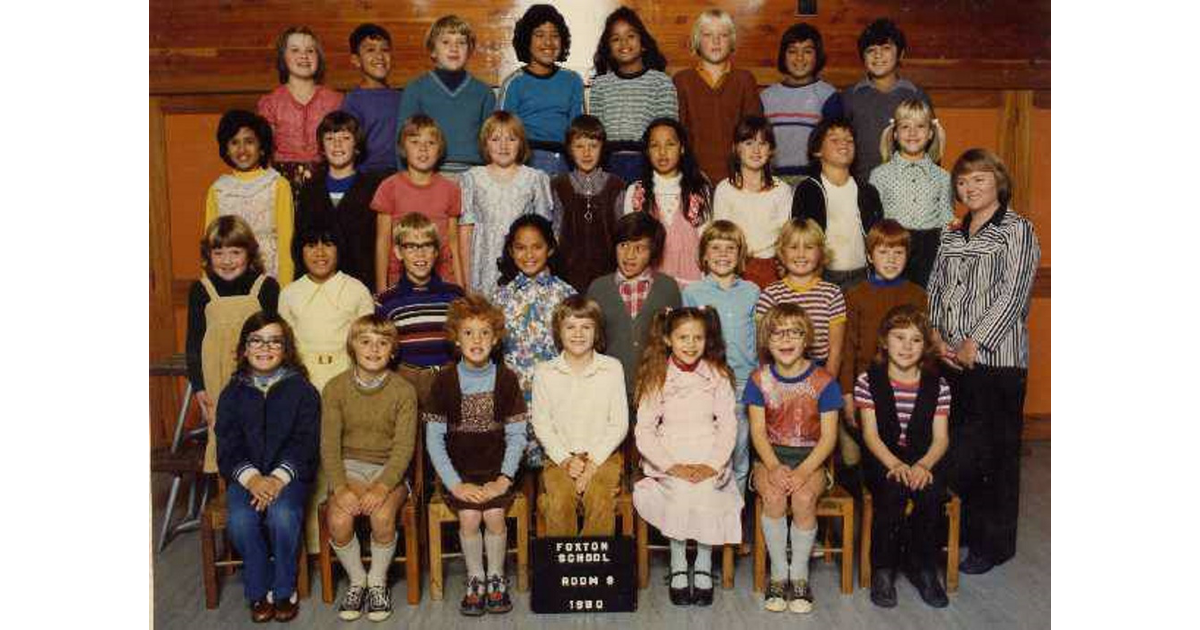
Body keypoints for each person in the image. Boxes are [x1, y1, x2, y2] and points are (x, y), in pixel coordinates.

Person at [927, 148, 1039, 576]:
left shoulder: (1017, 229)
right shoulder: (953, 233)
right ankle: (965, 533)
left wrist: (977, 341)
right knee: (959, 451)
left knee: (996, 454)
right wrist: (937, 336)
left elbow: (1014, 292)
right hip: (951, 360)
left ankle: (993, 546)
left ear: (998, 182)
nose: (970, 187)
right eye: (963, 181)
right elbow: (937, 287)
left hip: (997, 362)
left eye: (979, 179)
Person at [424, 295, 528, 616]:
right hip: (459, 475)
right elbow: (434, 441)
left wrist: (503, 479)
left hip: (497, 472)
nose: (476, 340)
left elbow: (517, 436)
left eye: (484, 333)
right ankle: (476, 578)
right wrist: (455, 485)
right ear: (456, 338)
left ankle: (496, 577)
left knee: (494, 516)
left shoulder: (507, 380)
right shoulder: (443, 381)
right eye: (468, 333)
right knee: (470, 516)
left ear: (495, 339)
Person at [633, 306, 742, 607]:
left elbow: (728, 424)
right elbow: (644, 429)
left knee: (706, 490)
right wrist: (671, 466)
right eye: (683, 337)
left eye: (698, 337)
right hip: (669, 454)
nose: (691, 344)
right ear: (668, 339)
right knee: (681, 491)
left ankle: (704, 565)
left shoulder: (717, 375)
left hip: (709, 453)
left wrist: (712, 463)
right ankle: (679, 563)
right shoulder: (658, 376)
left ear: (708, 340)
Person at [216, 312, 320, 623]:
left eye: (274, 341)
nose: (265, 348)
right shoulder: (232, 393)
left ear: (286, 349)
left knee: (283, 515)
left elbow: (305, 443)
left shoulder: (302, 390)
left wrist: (276, 479)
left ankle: (284, 588)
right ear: (244, 349)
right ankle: (258, 590)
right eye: (256, 341)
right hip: (245, 479)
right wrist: (252, 480)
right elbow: (227, 446)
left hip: (289, 478)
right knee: (241, 520)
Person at [745, 303, 842, 614]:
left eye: (794, 333)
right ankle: (778, 574)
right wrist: (773, 467)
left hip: (811, 459)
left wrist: (802, 472)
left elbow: (829, 438)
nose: (785, 340)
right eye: (777, 334)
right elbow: (758, 433)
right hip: (769, 457)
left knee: (801, 499)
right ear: (766, 341)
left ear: (806, 339)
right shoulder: (759, 380)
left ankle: (798, 575)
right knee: (773, 496)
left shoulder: (824, 381)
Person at [321, 315, 418, 621]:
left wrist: (381, 486)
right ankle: (357, 580)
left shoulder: (403, 391)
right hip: (347, 470)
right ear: (352, 347)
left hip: (388, 470)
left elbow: (404, 449)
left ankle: (377, 581)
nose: (374, 349)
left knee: (382, 516)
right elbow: (329, 446)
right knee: (338, 520)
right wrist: (340, 488)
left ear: (393, 350)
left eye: (383, 343)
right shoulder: (335, 388)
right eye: (365, 342)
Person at [856, 304, 951, 609]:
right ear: (884, 340)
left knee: (932, 493)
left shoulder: (939, 385)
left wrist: (924, 464)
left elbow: (941, 439)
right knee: (893, 493)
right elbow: (870, 435)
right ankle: (883, 570)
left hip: (923, 458)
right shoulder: (868, 381)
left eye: (915, 340)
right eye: (899, 338)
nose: (907, 347)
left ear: (926, 347)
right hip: (883, 459)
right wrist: (895, 464)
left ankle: (924, 568)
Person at [838, 219, 928, 493]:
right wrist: (848, 396)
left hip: (906, 392)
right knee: (855, 460)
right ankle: (860, 519)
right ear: (869, 255)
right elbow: (847, 349)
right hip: (865, 391)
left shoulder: (917, 294)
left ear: (907, 255)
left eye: (898, 252)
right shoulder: (855, 295)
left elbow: (925, 353)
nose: (890, 260)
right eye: (883, 252)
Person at [186, 216, 281, 474]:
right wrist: (199, 386)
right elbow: (193, 342)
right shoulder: (201, 289)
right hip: (217, 377)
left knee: (259, 427)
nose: (227, 260)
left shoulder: (266, 287)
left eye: (235, 252)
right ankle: (230, 494)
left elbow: (278, 339)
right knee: (225, 431)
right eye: (219, 252)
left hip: (258, 375)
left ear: (249, 253)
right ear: (208, 254)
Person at [531, 296, 629, 535]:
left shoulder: (612, 368)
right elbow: (542, 424)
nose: (578, 334)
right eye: (570, 327)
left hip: (604, 456)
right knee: (560, 500)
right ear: (559, 331)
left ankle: (591, 568)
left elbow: (619, 424)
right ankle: (563, 569)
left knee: (599, 498)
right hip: (560, 457)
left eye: (586, 327)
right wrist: (566, 460)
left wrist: (592, 465)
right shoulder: (545, 372)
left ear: (596, 332)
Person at [491, 214, 577, 466]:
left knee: (553, 467)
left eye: (537, 246)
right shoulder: (500, 297)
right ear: (510, 250)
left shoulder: (566, 294)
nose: (529, 254)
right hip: (513, 397)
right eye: (520, 247)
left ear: (550, 248)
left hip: (555, 398)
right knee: (516, 469)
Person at [682, 221, 760, 496]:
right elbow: (686, 339)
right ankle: (708, 520)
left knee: (739, 457)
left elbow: (759, 338)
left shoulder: (752, 291)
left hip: (741, 383)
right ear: (704, 255)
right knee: (710, 455)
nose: (723, 254)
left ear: (740, 255)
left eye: (730, 248)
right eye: (715, 248)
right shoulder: (692, 293)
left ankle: (732, 524)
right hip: (706, 384)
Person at [586, 212, 682, 407]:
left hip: (656, 390)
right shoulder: (598, 288)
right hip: (609, 391)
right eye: (623, 246)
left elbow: (676, 340)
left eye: (640, 248)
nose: (630, 255)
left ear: (653, 252)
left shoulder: (668, 287)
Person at [458, 111, 555, 297]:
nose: (503, 146)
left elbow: (543, 231)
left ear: (521, 143)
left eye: (511, 139)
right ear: (485, 143)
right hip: (483, 267)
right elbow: (465, 231)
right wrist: (465, 280)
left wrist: (544, 270)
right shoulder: (472, 178)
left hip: (522, 264)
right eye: (495, 139)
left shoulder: (534, 178)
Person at [375, 213, 465, 409]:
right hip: (406, 387)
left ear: (436, 252)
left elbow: (464, 346)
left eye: (427, 245)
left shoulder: (455, 296)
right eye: (411, 247)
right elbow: (383, 353)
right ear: (398, 252)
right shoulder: (386, 301)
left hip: (447, 385)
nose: (420, 254)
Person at [395, 15, 495, 177]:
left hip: (475, 174)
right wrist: (405, 180)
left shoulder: (484, 93)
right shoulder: (415, 89)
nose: (454, 48)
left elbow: (491, 144)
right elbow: (402, 140)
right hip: (429, 173)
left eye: (461, 43)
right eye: (446, 42)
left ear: (469, 50)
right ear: (433, 50)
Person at [372, 114, 463, 291]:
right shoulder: (389, 187)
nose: (423, 149)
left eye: (430, 143)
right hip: (400, 281)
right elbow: (383, 242)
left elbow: (453, 242)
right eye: (415, 142)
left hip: (442, 281)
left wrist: (459, 286)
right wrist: (382, 289)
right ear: (403, 148)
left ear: (439, 149)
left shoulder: (451, 189)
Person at [672, 9, 763, 184]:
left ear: (732, 41)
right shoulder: (682, 81)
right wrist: (687, 173)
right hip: (693, 177)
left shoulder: (744, 80)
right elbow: (678, 134)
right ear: (697, 41)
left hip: (738, 176)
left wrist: (746, 173)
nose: (716, 41)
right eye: (707, 35)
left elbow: (754, 133)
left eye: (723, 34)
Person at [869, 98, 953, 287]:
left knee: (925, 304)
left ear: (931, 133)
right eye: (906, 127)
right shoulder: (880, 175)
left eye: (920, 126)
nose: (913, 133)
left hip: (931, 250)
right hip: (894, 246)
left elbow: (947, 219)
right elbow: (874, 222)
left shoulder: (942, 177)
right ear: (895, 133)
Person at [791, 117, 883, 290]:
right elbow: (797, 237)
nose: (844, 144)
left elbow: (878, 237)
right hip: (821, 277)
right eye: (834, 140)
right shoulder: (807, 190)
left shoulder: (868, 192)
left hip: (861, 275)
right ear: (817, 151)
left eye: (849, 140)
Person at [589, 6, 678, 184]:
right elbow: (595, 133)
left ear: (643, 43)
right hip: (608, 164)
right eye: (616, 39)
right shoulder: (600, 85)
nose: (624, 44)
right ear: (608, 48)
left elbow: (668, 131)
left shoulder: (661, 82)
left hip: (648, 162)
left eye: (630, 36)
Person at [294, 111, 382, 288]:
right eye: (330, 138)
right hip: (318, 283)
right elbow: (300, 242)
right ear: (322, 148)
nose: (337, 144)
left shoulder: (373, 188)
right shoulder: (310, 189)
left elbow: (377, 243)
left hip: (361, 282)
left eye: (345, 137)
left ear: (357, 146)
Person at [205, 109, 294, 282]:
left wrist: (285, 290)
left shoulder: (277, 184)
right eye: (234, 142)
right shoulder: (218, 189)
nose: (242, 149)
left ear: (261, 147)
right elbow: (210, 244)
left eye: (249, 141)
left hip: (270, 276)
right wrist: (209, 288)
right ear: (226, 149)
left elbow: (286, 242)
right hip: (229, 277)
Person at [622, 117, 711, 287]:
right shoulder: (636, 192)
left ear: (682, 148)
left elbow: (706, 242)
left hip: (691, 282)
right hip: (651, 285)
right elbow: (631, 246)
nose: (662, 152)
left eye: (670, 144)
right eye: (655, 145)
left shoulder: (699, 189)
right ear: (647, 151)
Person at [840, 18, 932, 181]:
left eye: (886, 48)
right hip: (861, 184)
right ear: (862, 57)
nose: (878, 55)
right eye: (871, 50)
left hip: (908, 185)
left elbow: (933, 146)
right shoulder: (850, 97)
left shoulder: (916, 95)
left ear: (901, 54)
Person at [497, 4, 584, 176]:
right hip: (525, 160)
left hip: (564, 160)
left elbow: (580, 130)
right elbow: (501, 131)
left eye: (554, 36)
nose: (548, 42)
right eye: (539, 35)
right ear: (526, 40)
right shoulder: (514, 83)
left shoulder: (573, 80)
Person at [755, 219, 846, 381]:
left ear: (821, 253)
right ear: (782, 253)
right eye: (793, 247)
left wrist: (825, 387)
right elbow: (763, 348)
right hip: (781, 369)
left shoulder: (832, 293)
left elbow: (835, 351)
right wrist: (771, 384)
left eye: (809, 247)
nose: (801, 254)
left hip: (820, 371)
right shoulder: (770, 294)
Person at [257, 26, 343, 195]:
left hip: (327, 178)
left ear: (319, 57)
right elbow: (264, 152)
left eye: (310, 50)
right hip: (281, 182)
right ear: (283, 57)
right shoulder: (270, 102)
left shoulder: (336, 100)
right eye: (295, 50)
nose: (304, 56)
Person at [713, 115, 793, 289]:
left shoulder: (782, 190)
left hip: (773, 269)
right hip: (736, 268)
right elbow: (720, 236)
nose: (756, 150)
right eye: (749, 143)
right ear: (736, 148)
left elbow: (786, 237)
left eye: (762, 143)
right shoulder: (725, 189)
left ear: (771, 150)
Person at [552, 115, 626, 293]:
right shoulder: (559, 185)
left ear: (602, 149)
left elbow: (622, 235)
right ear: (569, 149)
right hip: (568, 274)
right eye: (579, 146)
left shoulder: (616, 186)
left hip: (607, 275)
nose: (586, 153)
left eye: (593, 146)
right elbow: (555, 230)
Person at [760, 23, 842, 185]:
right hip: (772, 179)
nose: (799, 58)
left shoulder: (828, 95)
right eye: (792, 51)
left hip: (814, 180)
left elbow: (834, 144)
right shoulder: (766, 97)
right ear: (783, 56)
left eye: (807, 51)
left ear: (817, 56)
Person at [340, 23, 404, 175]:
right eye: (370, 50)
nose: (379, 56)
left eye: (385, 50)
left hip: (401, 175)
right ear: (356, 60)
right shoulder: (353, 101)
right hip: (367, 176)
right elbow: (349, 146)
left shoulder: (402, 97)